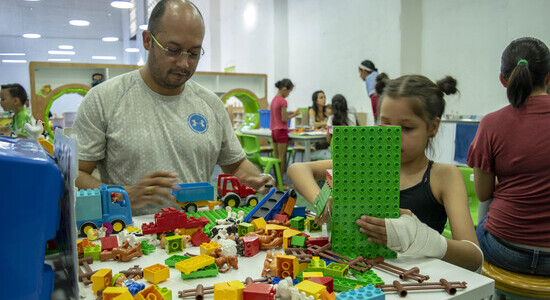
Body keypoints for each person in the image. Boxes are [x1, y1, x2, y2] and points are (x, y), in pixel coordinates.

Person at [73, 0, 273, 215]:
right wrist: (121, 195)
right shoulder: (104, 99)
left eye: (194, 53)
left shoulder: (210, 104)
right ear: (148, 40)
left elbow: (235, 165)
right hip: (132, 235)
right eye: (173, 50)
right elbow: (75, 174)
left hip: (202, 236)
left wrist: (254, 178)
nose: (184, 63)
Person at [288, 75, 483, 272]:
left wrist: (419, 236)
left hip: (415, 280)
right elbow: (298, 169)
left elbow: (474, 257)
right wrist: (322, 203)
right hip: (361, 274)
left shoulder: (444, 176)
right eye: (385, 125)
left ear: (433, 127)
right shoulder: (363, 163)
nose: (394, 136)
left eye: (406, 128)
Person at [467, 37, 550, 276]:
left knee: (483, 223)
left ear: (503, 80)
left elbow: (483, 194)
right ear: (548, 77)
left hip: (506, 250)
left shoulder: (491, 124)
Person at [270, 78, 299, 175]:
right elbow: (284, 119)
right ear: (284, 89)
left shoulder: (274, 100)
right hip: (281, 131)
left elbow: (279, 116)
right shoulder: (283, 101)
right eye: (289, 92)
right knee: (282, 158)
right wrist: (295, 114)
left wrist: (288, 114)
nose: (288, 94)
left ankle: (277, 182)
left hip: (273, 131)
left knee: (276, 157)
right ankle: (281, 183)